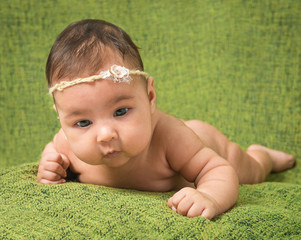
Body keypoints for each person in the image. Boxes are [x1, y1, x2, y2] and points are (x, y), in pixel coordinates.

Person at [37, 19, 295, 220]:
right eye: (83, 123)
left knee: (250, 171)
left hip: (204, 141)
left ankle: (263, 156)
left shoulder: (170, 137)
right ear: (61, 118)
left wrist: (209, 196)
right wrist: (50, 165)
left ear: (149, 96)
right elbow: (54, 149)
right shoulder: (65, 144)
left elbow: (218, 170)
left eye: (121, 111)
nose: (105, 134)